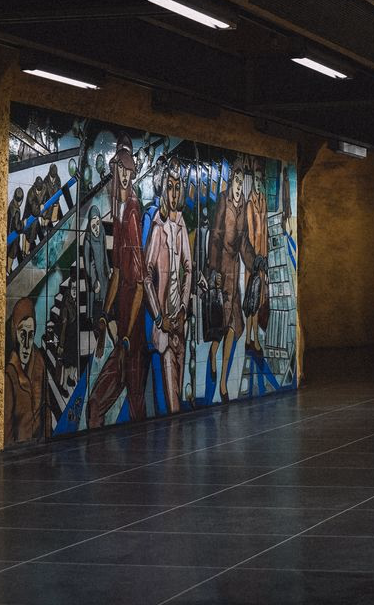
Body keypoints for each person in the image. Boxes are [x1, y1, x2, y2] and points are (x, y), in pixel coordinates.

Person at [87, 136, 149, 426]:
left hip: (131, 334)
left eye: (127, 170)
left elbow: (138, 284)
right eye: (119, 169)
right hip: (124, 326)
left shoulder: (133, 211)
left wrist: (126, 337)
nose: (123, 176)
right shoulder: (120, 211)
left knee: (101, 402)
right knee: (133, 400)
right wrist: (104, 312)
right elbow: (116, 274)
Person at [145, 158, 193, 414]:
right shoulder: (158, 227)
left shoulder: (182, 225)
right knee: (172, 403)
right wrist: (158, 316)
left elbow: (189, 266)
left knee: (178, 388)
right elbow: (146, 273)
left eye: (178, 187)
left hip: (180, 323)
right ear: (164, 188)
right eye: (170, 186)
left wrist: (184, 306)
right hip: (165, 327)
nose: (174, 193)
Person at [204, 160, 253, 400]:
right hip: (222, 271)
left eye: (241, 184)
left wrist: (255, 262)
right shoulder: (223, 200)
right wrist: (212, 270)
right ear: (230, 181)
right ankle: (213, 353)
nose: (238, 187)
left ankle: (223, 383)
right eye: (236, 182)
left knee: (234, 328)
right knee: (222, 327)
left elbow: (243, 242)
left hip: (234, 270)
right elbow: (215, 236)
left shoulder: (243, 206)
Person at [4, 298, 45, 444]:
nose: (27, 344)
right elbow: (7, 425)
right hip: (18, 452)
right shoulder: (10, 373)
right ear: (15, 334)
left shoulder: (39, 362)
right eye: (23, 334)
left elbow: (46, 409)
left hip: (39, 448)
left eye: (31, 335)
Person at [243, 161, 270, 358]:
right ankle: (253, 340)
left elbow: (265, 231)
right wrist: (256, 259)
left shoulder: (263, 203)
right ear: (252, 181)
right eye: (256, 180)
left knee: (257, 300)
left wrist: (266, 257)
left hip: (261, 261)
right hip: (253, 262)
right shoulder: (250, 203)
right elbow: (251, 233)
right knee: (251, 301)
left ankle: (249, 340)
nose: (258, 184)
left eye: (261, 181)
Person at [81, 206, 110, 354]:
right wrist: (93, 281)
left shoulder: (103, 232)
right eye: (93, 225)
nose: (96, 228)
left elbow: (105, 252)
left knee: (105, 305)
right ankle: (97, 335)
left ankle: (103, 336)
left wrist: (108, 268)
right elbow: (86, 264)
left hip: (104, 277)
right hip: (95, 279)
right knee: (96, 309)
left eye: (98, 224)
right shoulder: (87, 240)